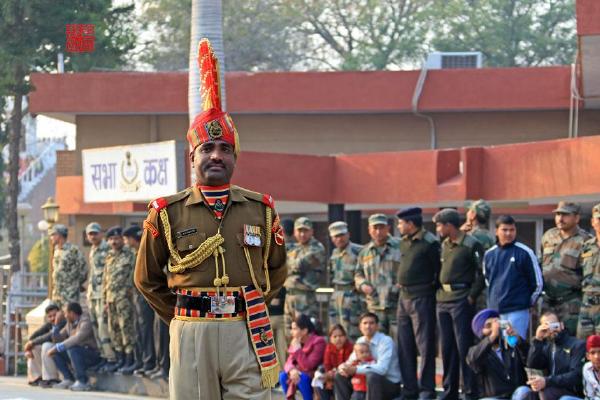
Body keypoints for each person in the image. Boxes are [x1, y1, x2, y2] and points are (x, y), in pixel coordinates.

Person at [134, 38, 287, 399]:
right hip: (191, 330)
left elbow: (276, 270)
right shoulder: (166, 212)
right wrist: (181, 318)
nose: (216, 155)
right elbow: (146, 279)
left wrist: (252, 306)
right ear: (192, 156)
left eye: (225, 149)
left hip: (245, 327)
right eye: (207, 148)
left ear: (235, 157)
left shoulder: (260, 209)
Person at [433, 208, 485, 400]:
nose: (437, 229)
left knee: (464, 348)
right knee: (447, 349)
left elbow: (482, 273)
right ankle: (449, 391)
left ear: (449, 225)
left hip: (462, 299)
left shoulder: (471, 244)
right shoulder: (445, 244)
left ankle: (470, 391)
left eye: (440, 225)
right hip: (443, 300)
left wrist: (471, 296)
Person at [395, 207, 439, 400]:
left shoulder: (429, 242)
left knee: (425, 345)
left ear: (410, 224)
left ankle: (427, 389)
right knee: (404, 345)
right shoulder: (404, 242)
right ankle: (409, 389)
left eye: (400, 223)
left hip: (422, 297)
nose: (398, 226)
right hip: (403, 298)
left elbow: (438, 270)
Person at [483, 215, 543, 339]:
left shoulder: (525, 252)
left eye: (512, 230)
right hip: (495, 313)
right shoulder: (489, 254)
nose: (509, 233)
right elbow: (488, 281)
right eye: (504, 230)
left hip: (517, 311)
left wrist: (527, 303)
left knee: (514, 348)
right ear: (496, 231)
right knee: (496, 350)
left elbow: (537, 284)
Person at [541, 201, 592, 336]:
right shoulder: (549, 236)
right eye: (558, 214)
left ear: (576, 218)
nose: (560, 218)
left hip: (570, 303)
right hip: (548, 301)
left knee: (569, 342)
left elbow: (589, 274)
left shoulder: (585, 241)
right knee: (547, 341)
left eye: (565, 215)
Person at [512, 311, 586, 400]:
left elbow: (576, 376)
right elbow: (532, 365)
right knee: (525, 394)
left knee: (546, 391)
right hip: (552, 388)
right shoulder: (548, 346)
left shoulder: (577, 345)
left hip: (572, 393)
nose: (551, 329)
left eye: (554, 325)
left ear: (561, 325)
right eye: (547, 327)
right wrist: (538, 340)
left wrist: (547, 381)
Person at [334, 312, 402, 400]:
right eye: (365, 323)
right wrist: (343, 368)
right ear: (360, 327)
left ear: (377, 326)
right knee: (339, 375)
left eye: (371, 323)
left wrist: (355, 369)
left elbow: (382, 369)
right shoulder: (360, 341)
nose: (368, 326)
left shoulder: (386, 341)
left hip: (389, 384)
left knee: (372, 376)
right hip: (364, 383)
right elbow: (350, 361)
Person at [466, 309, 529, 399]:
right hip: (493, 397)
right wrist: (493, 335)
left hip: (515, 395)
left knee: (524, 391)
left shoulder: (511, 345)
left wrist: (519, 340)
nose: (495, 327)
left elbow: (531, 361)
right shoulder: (476, 351)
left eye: (497, 322)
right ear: (481, 332)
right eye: (489, 325)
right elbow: (473, 359)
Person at [355, 214, 400, 335]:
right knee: (376, 342)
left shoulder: (400, 246)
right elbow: (358, 273)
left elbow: (410, 270)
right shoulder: (364, 252)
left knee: (400, 342)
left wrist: (400, 285)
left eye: (381, 227)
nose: (378, 231)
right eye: (375, 228)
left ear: (388, 228)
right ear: (369, 230)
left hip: (396, 303)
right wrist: (363, 284)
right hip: (374, 305)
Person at [102, 226, 137, 373]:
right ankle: (120, 359)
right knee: (114, 330)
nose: (114, 242)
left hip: (124, 298)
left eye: (117, 239)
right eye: (111, 239)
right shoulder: (109, 256)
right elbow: (105, 279)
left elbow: (134, 274)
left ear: (122, 240)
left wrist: (131, 292)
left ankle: (130, 361)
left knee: (126, 329)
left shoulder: (130, 254)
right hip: (111, 299)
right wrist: (104, 300)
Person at [284, 216, 327, 337]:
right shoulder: (294, 248)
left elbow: (299, 265)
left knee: (305, 334)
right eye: (299, 231)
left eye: (305, 231)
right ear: (294, 232)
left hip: (305, 297)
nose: (302, 234)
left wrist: (287, 264)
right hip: (289, 295)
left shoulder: (317, 248)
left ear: (311, 232)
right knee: (289, 334)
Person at [84, 222, 116, 372]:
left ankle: (111, 358)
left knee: (104, 327)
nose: (92, 236)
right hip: (93, 294)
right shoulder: (92, 249)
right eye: (90, 234)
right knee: (96, 327)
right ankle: (103, 357)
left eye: (95, 233)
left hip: (103, 294)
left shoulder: (107, 249)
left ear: (101, 234)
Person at [48, 302, 100, 391]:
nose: (64, 315)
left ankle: (83, 381)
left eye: (65, 313)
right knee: (56, 352)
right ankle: (68, 379)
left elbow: (78, 338)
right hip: (77, 354)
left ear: (72, 313)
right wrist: (56, 325)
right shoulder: (69, 323)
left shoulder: (86, 321)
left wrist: (58, 347)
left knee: (72, 348)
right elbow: (58, 339)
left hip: (92, 355)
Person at [328, 221, 363, 340]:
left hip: (352, 296)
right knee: (336, 330)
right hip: (336, 296)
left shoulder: (359, 251)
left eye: (342, 235)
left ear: (348, 234)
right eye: (336, 236)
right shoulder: (334, 253)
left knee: (352, 332)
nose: (339, 239)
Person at [279, 314, 327, 400]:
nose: (291, 332)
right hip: (299, 372)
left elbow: (308, 365)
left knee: (302, 378)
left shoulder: (319, 341)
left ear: (304, 331)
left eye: (294, 329)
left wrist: (297, 350)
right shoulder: (296, 341)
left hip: (314, 373)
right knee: (283, 376)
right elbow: (288, 362)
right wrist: (292, 370)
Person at [461, 199, 495, 311]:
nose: (467, 213)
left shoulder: (474, 237)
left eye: (469, 210)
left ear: (473, 215)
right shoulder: (488, 236)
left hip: (476, 291)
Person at [24, 303, 64, 386]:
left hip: (64, 351)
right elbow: (33, 336)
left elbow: (50, 336)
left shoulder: (63, 323)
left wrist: (32, 343)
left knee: (46, 345)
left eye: (55, 315)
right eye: (50, 316)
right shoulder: (49, 325)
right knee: (35, 347)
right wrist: (29, 347)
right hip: (54, 352)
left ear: (60, 314)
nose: (53, 318)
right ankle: (37, 377)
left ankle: (52, 379)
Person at [49, 224, 86, 308]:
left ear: (59, 235)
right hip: (57, 293)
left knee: (70, 317)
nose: (51, 237)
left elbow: (83, 269)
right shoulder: (56, 251)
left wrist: (74, 284)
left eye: (53, 235)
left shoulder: (73, 250)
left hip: (70, 293)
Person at [578, 203, 600, 338]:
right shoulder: (586, 246)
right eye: (599, 219)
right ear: (593, 222)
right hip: (587, 305)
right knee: (583, 345)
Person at [317, 324, 354, 400]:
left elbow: (348, 366)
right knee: (319, 380)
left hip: (347, 377)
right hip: (332, 374)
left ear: (345, 337)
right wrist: (328, 377)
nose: (338, 339)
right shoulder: (329, 348)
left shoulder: (350, 347)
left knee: (337, 378)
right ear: (330, 338)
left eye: (340, 336)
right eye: (335, 336)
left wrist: (332, 375)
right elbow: (327, 365)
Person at [581, 335, 600, 400]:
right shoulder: (587, 368)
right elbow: (589, 395)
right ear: (588, 356)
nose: (597, 356)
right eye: (593, 353)